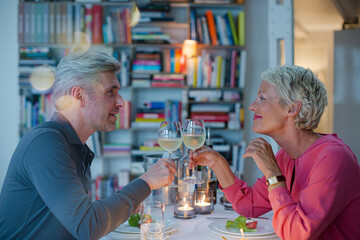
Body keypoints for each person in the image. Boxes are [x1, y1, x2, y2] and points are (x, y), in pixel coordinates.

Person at [0, 51, 176, 239]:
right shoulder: (44, 144)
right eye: (110, 92)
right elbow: (87, 226)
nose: (121, 102)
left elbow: (79, 222)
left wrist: (124, 207)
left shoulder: (74, 146)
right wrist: (146, 182)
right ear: (78, 96)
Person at [190, 65, 360, 240]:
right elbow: (249, 206)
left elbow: (296, 234)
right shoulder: (286, 156)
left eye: (262, 98)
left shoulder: (333, 158)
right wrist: (217, 163)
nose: (251, 106)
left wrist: (273, 174)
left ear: (292, 109)